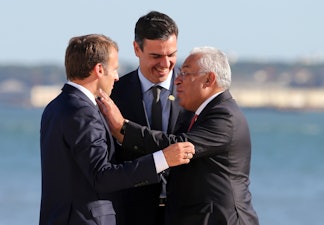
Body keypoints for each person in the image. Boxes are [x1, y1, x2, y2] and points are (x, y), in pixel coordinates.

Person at [39, 34, 195, 225]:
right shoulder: (82, 112)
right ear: (99, 69)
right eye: (114, 69)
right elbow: (101, 176)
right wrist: (162, 159)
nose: (116, 77)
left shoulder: (56, 106)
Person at [98, 46, 260, 225]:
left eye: (185, 73)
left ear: (209, 79)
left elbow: (178, 146)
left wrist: (123, 128)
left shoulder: (224, 116)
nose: (177, 81)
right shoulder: (204, 113)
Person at [109, 11, 193, 225]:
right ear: (137, 49)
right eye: (156, 56)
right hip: (130, 214)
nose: (165, 64)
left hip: (185, 213)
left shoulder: (195, 92)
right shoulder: (113, 94)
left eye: (172, 54)